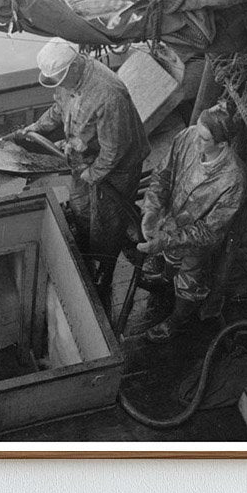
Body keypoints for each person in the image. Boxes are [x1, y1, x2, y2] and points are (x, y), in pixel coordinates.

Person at [15, 38, 149, 313]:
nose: (59, 85)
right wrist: (36, 129)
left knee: (107, 221)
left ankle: (104, 270)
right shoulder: (67, 83)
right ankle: (88, 249)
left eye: (62, 78)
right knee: (80, 206)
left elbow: (116, 149)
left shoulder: (109, 93)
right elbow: (58, 109)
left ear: (75, 65)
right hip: (84, 157)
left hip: (118, 168)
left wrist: (94, 173)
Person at [137, 104, 247, 342]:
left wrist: (167, 239)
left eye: (204, 138)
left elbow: (209, 232)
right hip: (169, 219)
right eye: (196, 131)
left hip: (195, 244)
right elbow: (162, 174)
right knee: (169, 258)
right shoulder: (188, 137)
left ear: (222, 144)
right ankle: (166, 277)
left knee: (189, 281)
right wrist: (151, 208)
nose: (195, 140)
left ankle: (176, 322)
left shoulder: (233, 179)